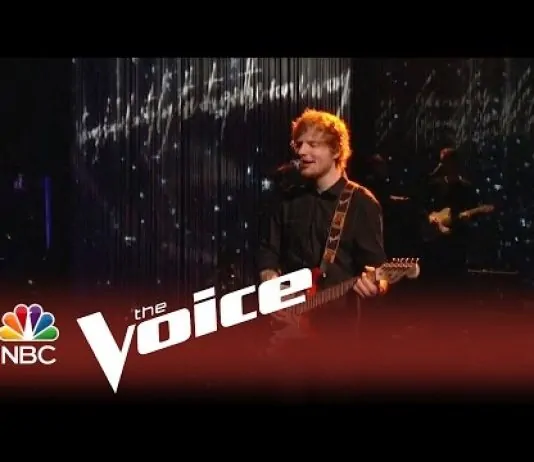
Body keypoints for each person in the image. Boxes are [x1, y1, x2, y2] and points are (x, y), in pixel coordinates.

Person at [256, 109, 388, 342]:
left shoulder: (361, 203)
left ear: (336, 150)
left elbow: (378, 269)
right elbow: (269, 251)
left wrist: (377, 285)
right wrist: (270, 279)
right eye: (299, 144)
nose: (301, 151)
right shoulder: (289, 198)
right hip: (288, 328)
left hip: (336, 335)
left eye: (313, 144)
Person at [419, 147, 480, 287]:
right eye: (442, 162)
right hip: (436, 240)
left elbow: (472, 214)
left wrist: (468, 218)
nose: (443, 165)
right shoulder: (434, 185)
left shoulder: (466, 188)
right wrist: (431, 219)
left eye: (446, 162)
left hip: (457, 240)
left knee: (455, 280)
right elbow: (423, 207)